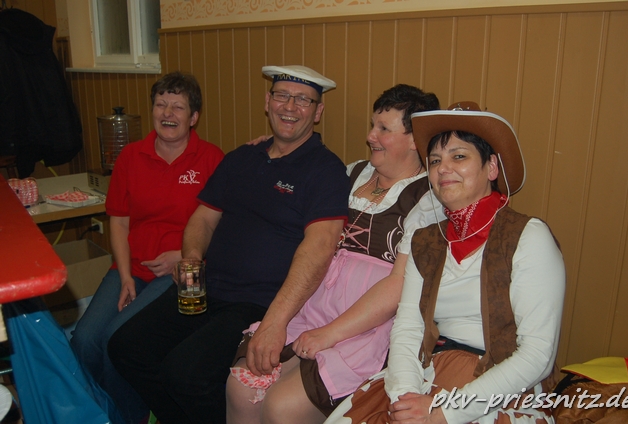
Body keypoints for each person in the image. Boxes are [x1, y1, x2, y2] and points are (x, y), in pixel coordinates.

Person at [108, 65, 351, 424]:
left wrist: (275, 322)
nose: (290, 106)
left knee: (185, 373)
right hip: (205, 289)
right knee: (126, 347)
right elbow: (203, 218)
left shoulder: (325, 170)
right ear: (267, 102)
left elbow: (320, 249)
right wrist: (192, 257)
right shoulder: (241, 158)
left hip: (257, 303)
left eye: (303, 100)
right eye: (282, 96)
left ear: (318, 112)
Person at [326, 102, 566, 424]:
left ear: (491, 168)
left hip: (500, 387)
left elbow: (537, 354)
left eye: (459, 156)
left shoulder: (528, 237)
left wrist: (445, 413)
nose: (443, 168)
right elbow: (408, 328)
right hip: (430, 372)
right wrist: (406, 396)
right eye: (436, 160)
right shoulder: (426, 241)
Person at [226, 84, 446, 424]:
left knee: (282, 407)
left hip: (369, 325)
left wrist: (330, 334)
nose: (371, 136)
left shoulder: (429, 200)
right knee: (240, 388)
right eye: (372, 125)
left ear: (415, 139)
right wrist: (272, 149)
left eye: (384, 129)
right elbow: (292, 180)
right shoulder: (350, 173)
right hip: (313, 303)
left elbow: (400, 285)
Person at [70, 71, 225, 424]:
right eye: (160, 104)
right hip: (131, 267)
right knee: (84, 340)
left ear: (193, 117)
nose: (167, 113)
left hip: (181, 274)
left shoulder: (211, 159)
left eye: (178, 107)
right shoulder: (130, 156)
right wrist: (125, 276)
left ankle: (132, 417)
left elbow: (223, 225)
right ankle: (103, 409)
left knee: (116, 340)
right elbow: (119, 221)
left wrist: (184, 257)